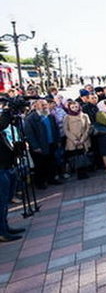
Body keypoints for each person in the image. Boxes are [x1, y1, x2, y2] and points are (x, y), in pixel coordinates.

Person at [25, 99, 61, 188]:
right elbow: (30, 134)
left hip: (51, 143)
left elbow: (56, 129)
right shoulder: (30, 118)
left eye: (45, 105)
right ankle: (40, 183)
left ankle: (52, 179)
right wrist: (35, 146)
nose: (45, 107)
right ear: (36, 106)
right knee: (40, 165)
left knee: (51, 163)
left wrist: (58, 140)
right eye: (42, 105)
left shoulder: (50, 116)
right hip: (39, 146)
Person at [0, 107, 24, 242]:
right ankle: (2, 231)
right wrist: (8, 111)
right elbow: (1, 124)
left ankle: (4, 227)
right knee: (1, 202)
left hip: (6, 165)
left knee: (5, 201)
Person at [63, 100, 92, 180]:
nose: (75, 108)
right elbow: (66, 129)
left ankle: (85, 172)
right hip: (73, 141)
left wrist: (83, 138)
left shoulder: (84, 115)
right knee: (76, 157)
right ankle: (79, 173)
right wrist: (74, 139)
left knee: (84, 155)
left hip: (83, 139)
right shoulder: (67, 117)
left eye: (76, 106)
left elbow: (88, 127)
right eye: (72, 107)